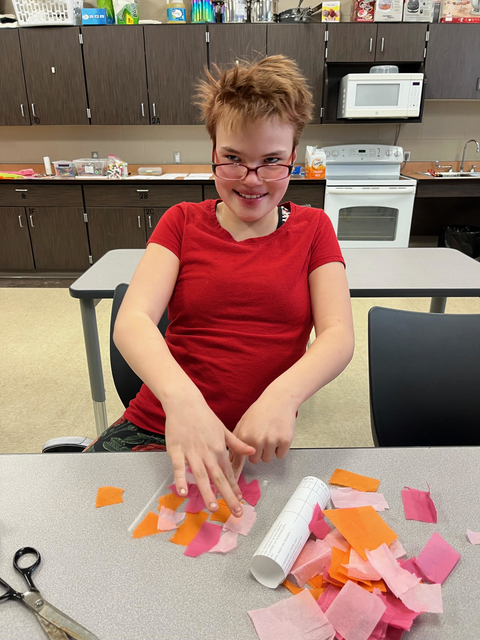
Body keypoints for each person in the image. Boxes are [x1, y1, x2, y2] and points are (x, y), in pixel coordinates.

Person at [84, 55, 354, 519]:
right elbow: (132, 320)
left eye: (271, 162)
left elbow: (338, 335)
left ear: (294, 158)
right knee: (86, 528)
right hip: (161, 426)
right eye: (233, 160)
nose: (252, 180)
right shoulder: (182, 222)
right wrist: (183, 402)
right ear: (213, 153)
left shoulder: (314, 229)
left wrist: (284, 396)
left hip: (251, 444)